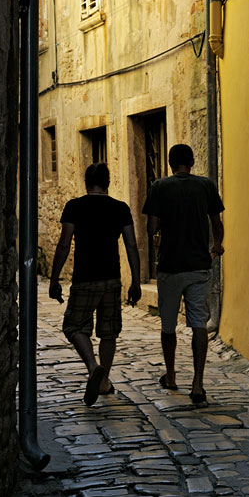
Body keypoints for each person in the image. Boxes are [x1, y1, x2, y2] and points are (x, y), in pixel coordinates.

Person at [49, 162, 141, 406]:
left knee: (73, 326)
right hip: (112, 279)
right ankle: (103, 381)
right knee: (108, 332)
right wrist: (136, 281)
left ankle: (93, 367)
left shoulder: (74, 207)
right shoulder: (120, 208)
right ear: (107, 183)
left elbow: (64, 243)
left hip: (84, 278)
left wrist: (54, 277)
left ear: (86, 183)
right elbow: (131, 245)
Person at [142, 143, 224, 405]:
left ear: (169, 163)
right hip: (199, 265)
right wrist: (217, 246)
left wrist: (160, 226)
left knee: (168, 325)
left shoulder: (159, 187)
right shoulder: (206, 186)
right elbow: (217, 223)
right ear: (192, 162)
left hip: (170, 266)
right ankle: (198, 384)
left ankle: (171, 374)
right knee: (198, 323)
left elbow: (151, 227)